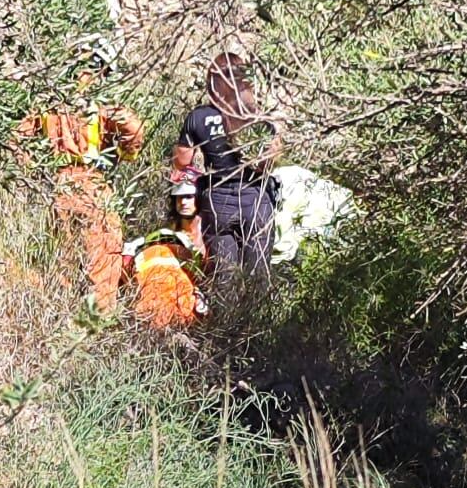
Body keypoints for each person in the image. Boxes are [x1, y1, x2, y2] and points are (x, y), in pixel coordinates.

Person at [17, 39, 143, 313]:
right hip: (92, 187)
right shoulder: (100, 103)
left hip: (58, 188)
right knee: (104, 258)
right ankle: (99, 321)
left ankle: (60, 315)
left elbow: (19, 137)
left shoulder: (48, 101)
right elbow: (134, 129)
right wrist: (122, 154)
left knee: (63, 258)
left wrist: (31, 172)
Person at [173, 51, 279, 284]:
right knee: (258, 279)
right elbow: (269, 161)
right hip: (255, 199)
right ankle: (256, 320)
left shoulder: (199, 117)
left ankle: (224, 320)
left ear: (212, 84)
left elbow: (182, 163)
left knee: (224, 278)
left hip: (217, 201)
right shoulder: (259, 117)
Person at [124, 175, 207, 330]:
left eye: (189, 197)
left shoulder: (210, 232)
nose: (183, 202)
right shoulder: (167, 234)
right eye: (179, 198)